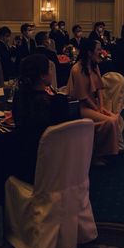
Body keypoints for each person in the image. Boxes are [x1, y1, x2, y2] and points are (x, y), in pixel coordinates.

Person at [12, 54, 74, 184]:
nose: (51, 73)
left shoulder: (19, 98)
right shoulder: (58, 102)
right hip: (54, 163)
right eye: (49, 70)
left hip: (25, 161)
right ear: (42, 76)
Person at [67, 38, 120, 165]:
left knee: (115, 117)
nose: (101, 52)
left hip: (93, 104)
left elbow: (100, 88)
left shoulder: (94, 65)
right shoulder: (77, 69)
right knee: (109, 121)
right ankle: (97, 155)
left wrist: (100, 106)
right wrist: (97, 109)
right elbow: (82, 96)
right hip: (81, 107)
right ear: (89, 52)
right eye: (98, 49)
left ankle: (110, 150)